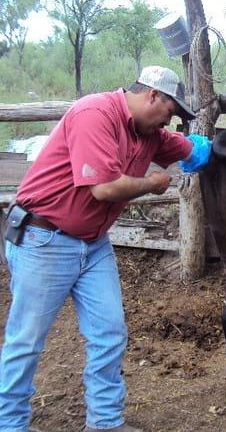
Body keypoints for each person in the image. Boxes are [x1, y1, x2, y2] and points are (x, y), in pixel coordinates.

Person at [0, 66, 202, 432]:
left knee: (109, 332)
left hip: (92, 245)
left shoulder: (150, 133)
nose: (168, 122)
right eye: (170, 111)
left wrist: (216, 150)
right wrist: (153, 182)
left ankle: (105, 423)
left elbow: (190, 149)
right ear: (152, 95)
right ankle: (10, 425)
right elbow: (104, 188)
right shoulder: (95, 114)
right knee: (26, 339)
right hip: (44, 238)